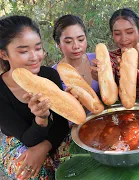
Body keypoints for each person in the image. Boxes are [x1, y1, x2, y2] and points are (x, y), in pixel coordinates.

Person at [0, 15, 70, 180]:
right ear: (3, 54)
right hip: (19, 141)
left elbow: (61, 123)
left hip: (53, 136)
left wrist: (44, 147)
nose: (34, 57)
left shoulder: (49, 75)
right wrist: (41, 119)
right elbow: (27, 139)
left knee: (79, 163)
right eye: (24, 51)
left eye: (38, 48)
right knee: (34, 174)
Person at [94, 8, 139, 99]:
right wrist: (98, 78)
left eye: (129, 32)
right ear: (112, 35)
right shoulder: (111, 59)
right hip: (121, 110)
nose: (124, 38)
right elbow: (110, 93)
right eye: (118, 34)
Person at [52, 14, 99, 94]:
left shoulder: (97, 60)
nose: (76, 46)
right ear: (58, 44)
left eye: (80, 40)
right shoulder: (53, 74)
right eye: (68, 42)